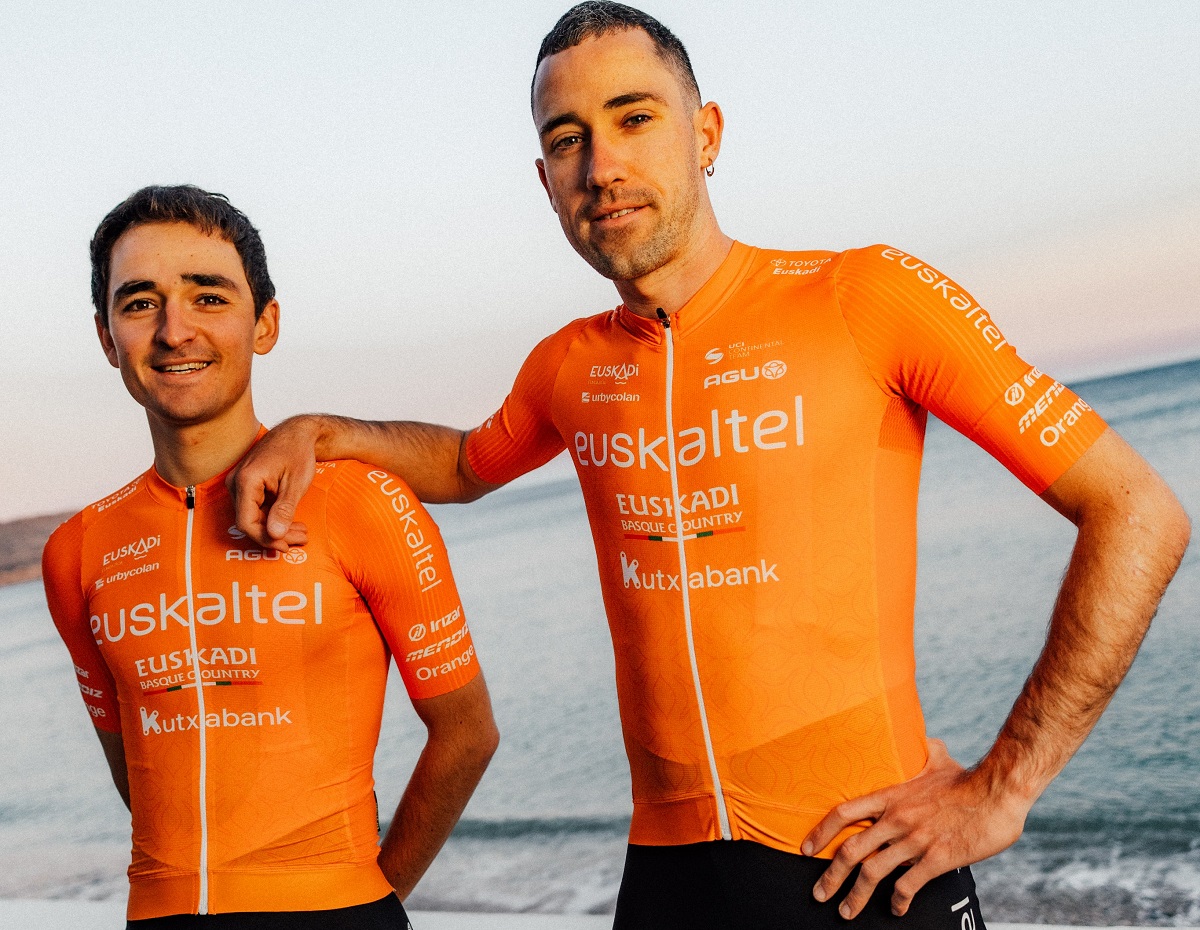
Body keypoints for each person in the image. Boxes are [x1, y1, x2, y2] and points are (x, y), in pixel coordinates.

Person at [229, 4, 1191, 928]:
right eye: (567, 139)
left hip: (863, 867)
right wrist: (320, 431)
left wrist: (1002, 788)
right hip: (669, 882)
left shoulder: (865, 297)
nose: (602, 165)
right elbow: (465, 462)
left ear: (707, 134)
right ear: (546, 180)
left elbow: (1137, 511)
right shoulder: (568, 365)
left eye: (634, 117)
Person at [42, 185, 499, 929]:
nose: (175, 331)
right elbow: (144, 779)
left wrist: (370, 900)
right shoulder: (77, 552)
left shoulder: (363, 502)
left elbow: (467, 732)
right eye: (140, 303)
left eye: (208, 297)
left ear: (265, 324)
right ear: (106, 337)